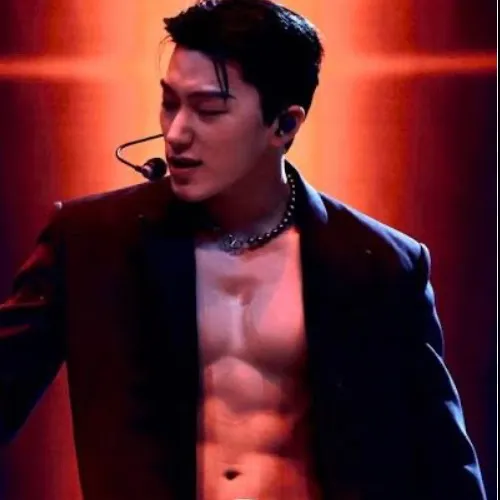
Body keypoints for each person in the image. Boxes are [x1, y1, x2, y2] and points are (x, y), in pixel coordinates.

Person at [0, 0, 487, 499]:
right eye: (169, 103)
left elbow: (446, 466)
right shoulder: (91, 242)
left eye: (209, 110)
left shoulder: (380, 264)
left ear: (285, 125)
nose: (176, 133)